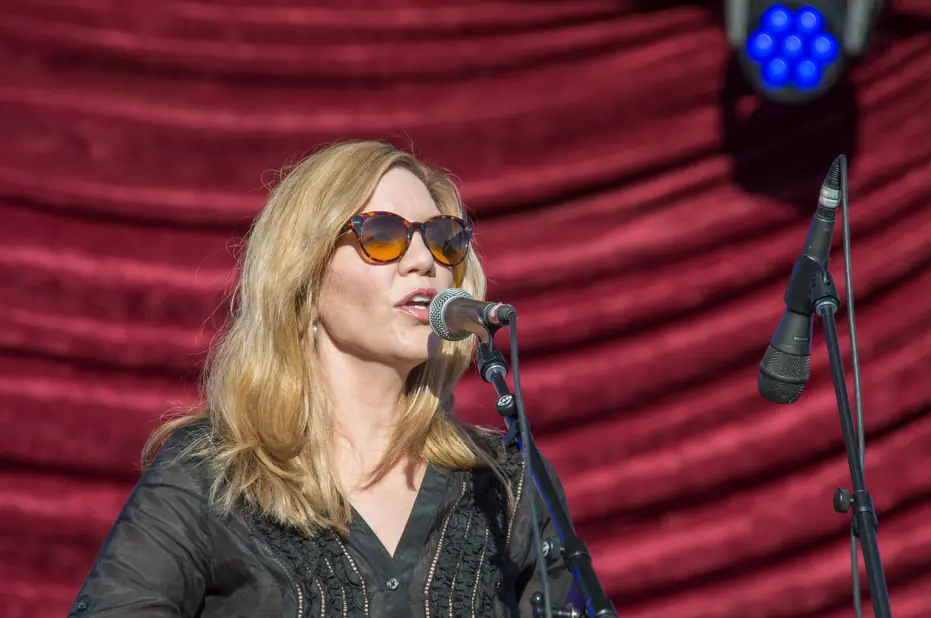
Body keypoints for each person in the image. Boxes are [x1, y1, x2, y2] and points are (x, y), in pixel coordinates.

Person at [67, 141, 577, 617]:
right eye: (383, 236)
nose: (424, 262)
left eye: (444, 240)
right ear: (305, 283)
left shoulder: (506, 484)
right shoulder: (210, 474)